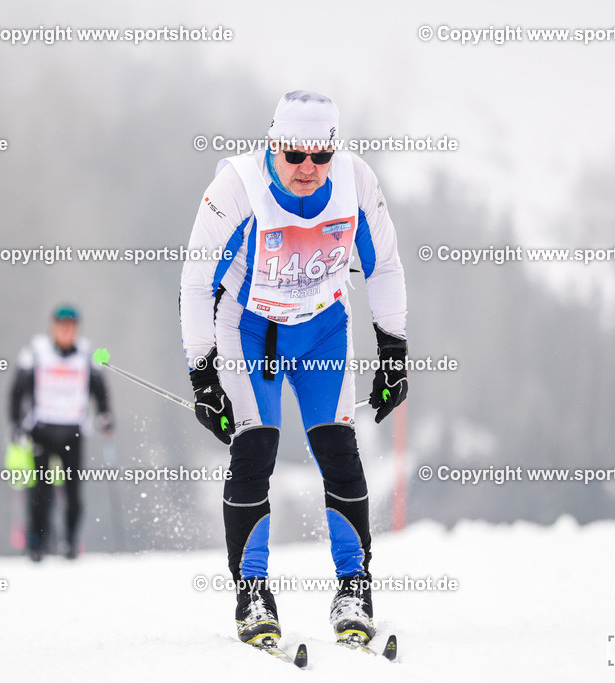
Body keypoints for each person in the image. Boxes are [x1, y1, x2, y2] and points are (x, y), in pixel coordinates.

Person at [179, 91, 409, 647]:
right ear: (273, 145)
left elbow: (384, 267)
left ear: (334, 151)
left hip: (323, 328)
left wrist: (394, 354)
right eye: (294, 155)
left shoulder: (357, 183)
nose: (307, 168)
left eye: (320, 156)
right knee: (256, 448)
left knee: (338, 449)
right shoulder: (236, 186)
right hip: (249, 328)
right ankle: (252, 593)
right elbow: (195, 280)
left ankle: (355, 587)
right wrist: (202, 374)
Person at [10, 305, 112, 561]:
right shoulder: (36, 352)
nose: (66, 331)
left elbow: (100, 390)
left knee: (73, 492)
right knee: (40, 491)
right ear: (53, 327)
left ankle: (69, 542)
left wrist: (105, 416)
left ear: (76, 329)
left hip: (73, 433)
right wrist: (15, 423)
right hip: (41, 431)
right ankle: (37, 543)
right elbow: (16, 391)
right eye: (61, 326)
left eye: (71, 327)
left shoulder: (88, 354)